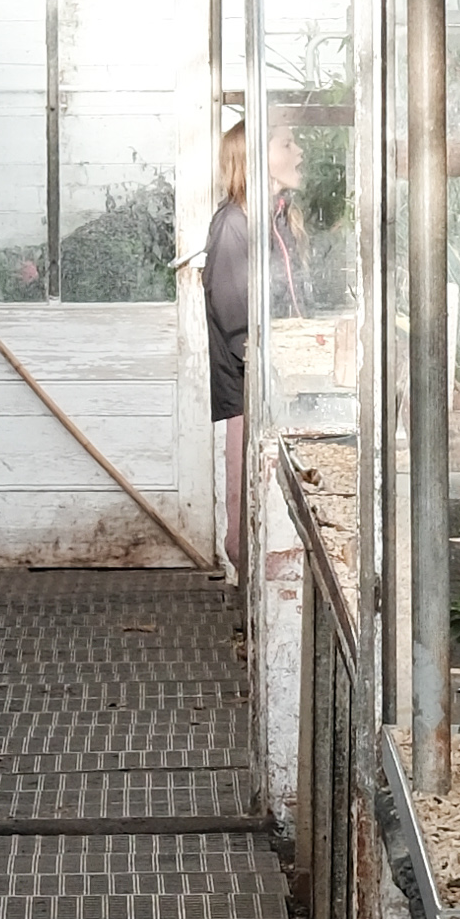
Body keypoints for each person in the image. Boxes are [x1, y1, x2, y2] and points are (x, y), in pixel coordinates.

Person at [202, 111, 254, 574]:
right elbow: (235, 315)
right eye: (285, 144)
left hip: (256, 380)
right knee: (241, 521)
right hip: (243, 386)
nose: (297, 152)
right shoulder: (232, 225)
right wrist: (264, 359)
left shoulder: (269, 218)